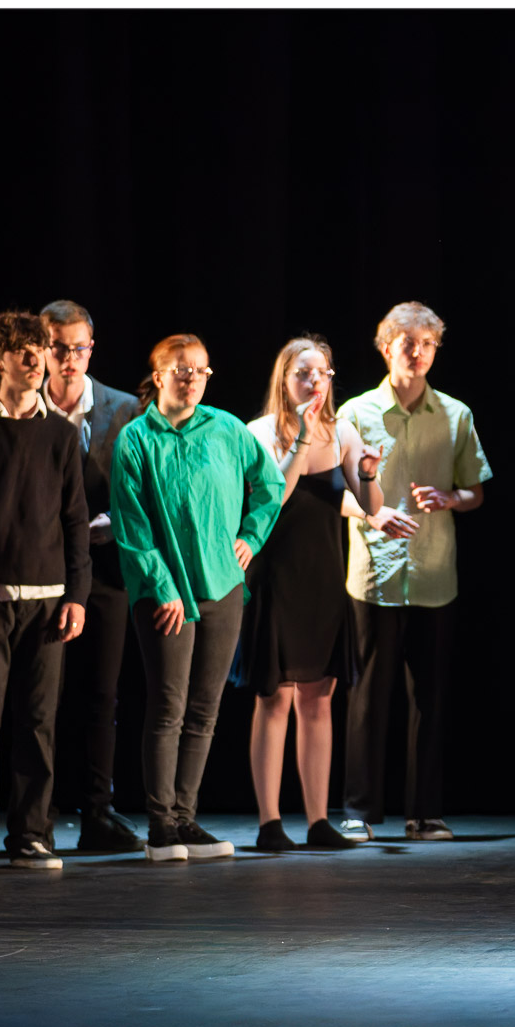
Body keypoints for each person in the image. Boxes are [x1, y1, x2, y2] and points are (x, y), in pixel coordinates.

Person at [111, 334, 284, 861]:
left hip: (222, 588)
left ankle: (185, 819)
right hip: (164, 593)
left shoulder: (227, 428)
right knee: (168, 705)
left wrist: (250, 538)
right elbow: (132, 526)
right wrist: (162, 587)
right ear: (159, 376)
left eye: (201, 371)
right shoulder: (136, 438)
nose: (192, 380)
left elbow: (270, 485)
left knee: (204, 710)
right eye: (181, 371)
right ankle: (161, 826)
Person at [335, 302, 492, 844]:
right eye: (409, 343)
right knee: (366, 697)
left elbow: (475, 491)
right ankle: (359, 810)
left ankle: (425, 812)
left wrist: (450, 497)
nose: (419, 353)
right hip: (374, 576)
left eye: (428, 344)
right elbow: (337, 496)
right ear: (386, 347)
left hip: (432, 574)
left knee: (430, 697)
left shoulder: (456, 414)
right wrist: (373, 512)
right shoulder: (355, 412)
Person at [0, 313, 91, 870]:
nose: (35, 359)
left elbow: (75, 521)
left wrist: (77, 595)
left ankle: (31, 834)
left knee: (38, 721)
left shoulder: (61, 433)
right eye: (22, 351)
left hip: (49, 601)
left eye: (39, 349)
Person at [242, 336, 384, 851]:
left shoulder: (342, 430)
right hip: (275, 580)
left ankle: (319, 821)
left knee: (319, 700)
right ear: (285, 378)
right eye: (304, 373)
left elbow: (369, 506)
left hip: (324, 582)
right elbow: (272, 500)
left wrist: (367, 475)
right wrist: (301, 440)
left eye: (322, 373)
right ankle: (268, 823)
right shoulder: (259, 433)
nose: (315, 382)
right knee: (273, 699)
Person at [40, 299, 146, 853]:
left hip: (104, 569)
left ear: (91, 349)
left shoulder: (124, 409)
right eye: (59, 348)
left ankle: (98, 813)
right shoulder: (25, 406)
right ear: (42, 349)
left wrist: (111, 522)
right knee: (42, 695)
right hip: (41, 570)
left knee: (102, 694)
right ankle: (37, 814)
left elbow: (143, 490)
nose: (70, 359)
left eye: (79, 348)